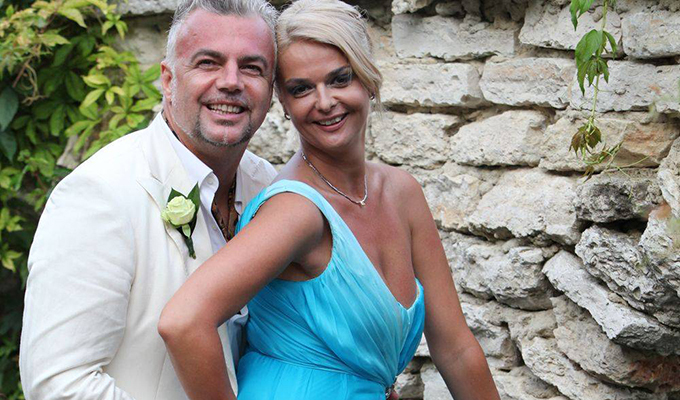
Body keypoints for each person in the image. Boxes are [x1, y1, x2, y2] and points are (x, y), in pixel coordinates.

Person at [159, 1, 501, 399]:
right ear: (283, 102)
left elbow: (456, 348)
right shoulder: (296, 210)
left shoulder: (402, 192)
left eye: (340, 79)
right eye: (301, 89)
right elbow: (183, 322)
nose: (324, 102)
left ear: (368, 79)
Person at [19, 0, 278, 398]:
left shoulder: (269, 188)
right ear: (168, 80)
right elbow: (58, 383)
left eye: (252, 67)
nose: (231, 81)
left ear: (272, 90)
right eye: (208, 63)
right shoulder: (100, 195)